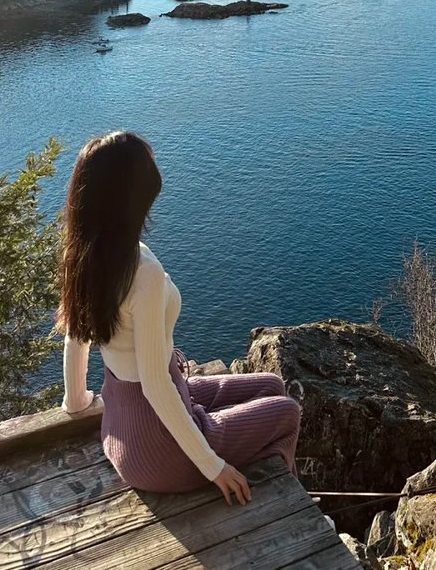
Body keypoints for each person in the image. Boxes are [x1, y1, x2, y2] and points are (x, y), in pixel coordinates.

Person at [58, 131, 301, 503]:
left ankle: (247, 461)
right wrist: (213, 466)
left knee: (271, 385)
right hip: (161, 452)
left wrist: (76, 401)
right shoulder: (143, 274)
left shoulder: (87, 254)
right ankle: (281, 499)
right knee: (288, 412)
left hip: (121, 429)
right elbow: (156, 386)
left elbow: (75, 335)